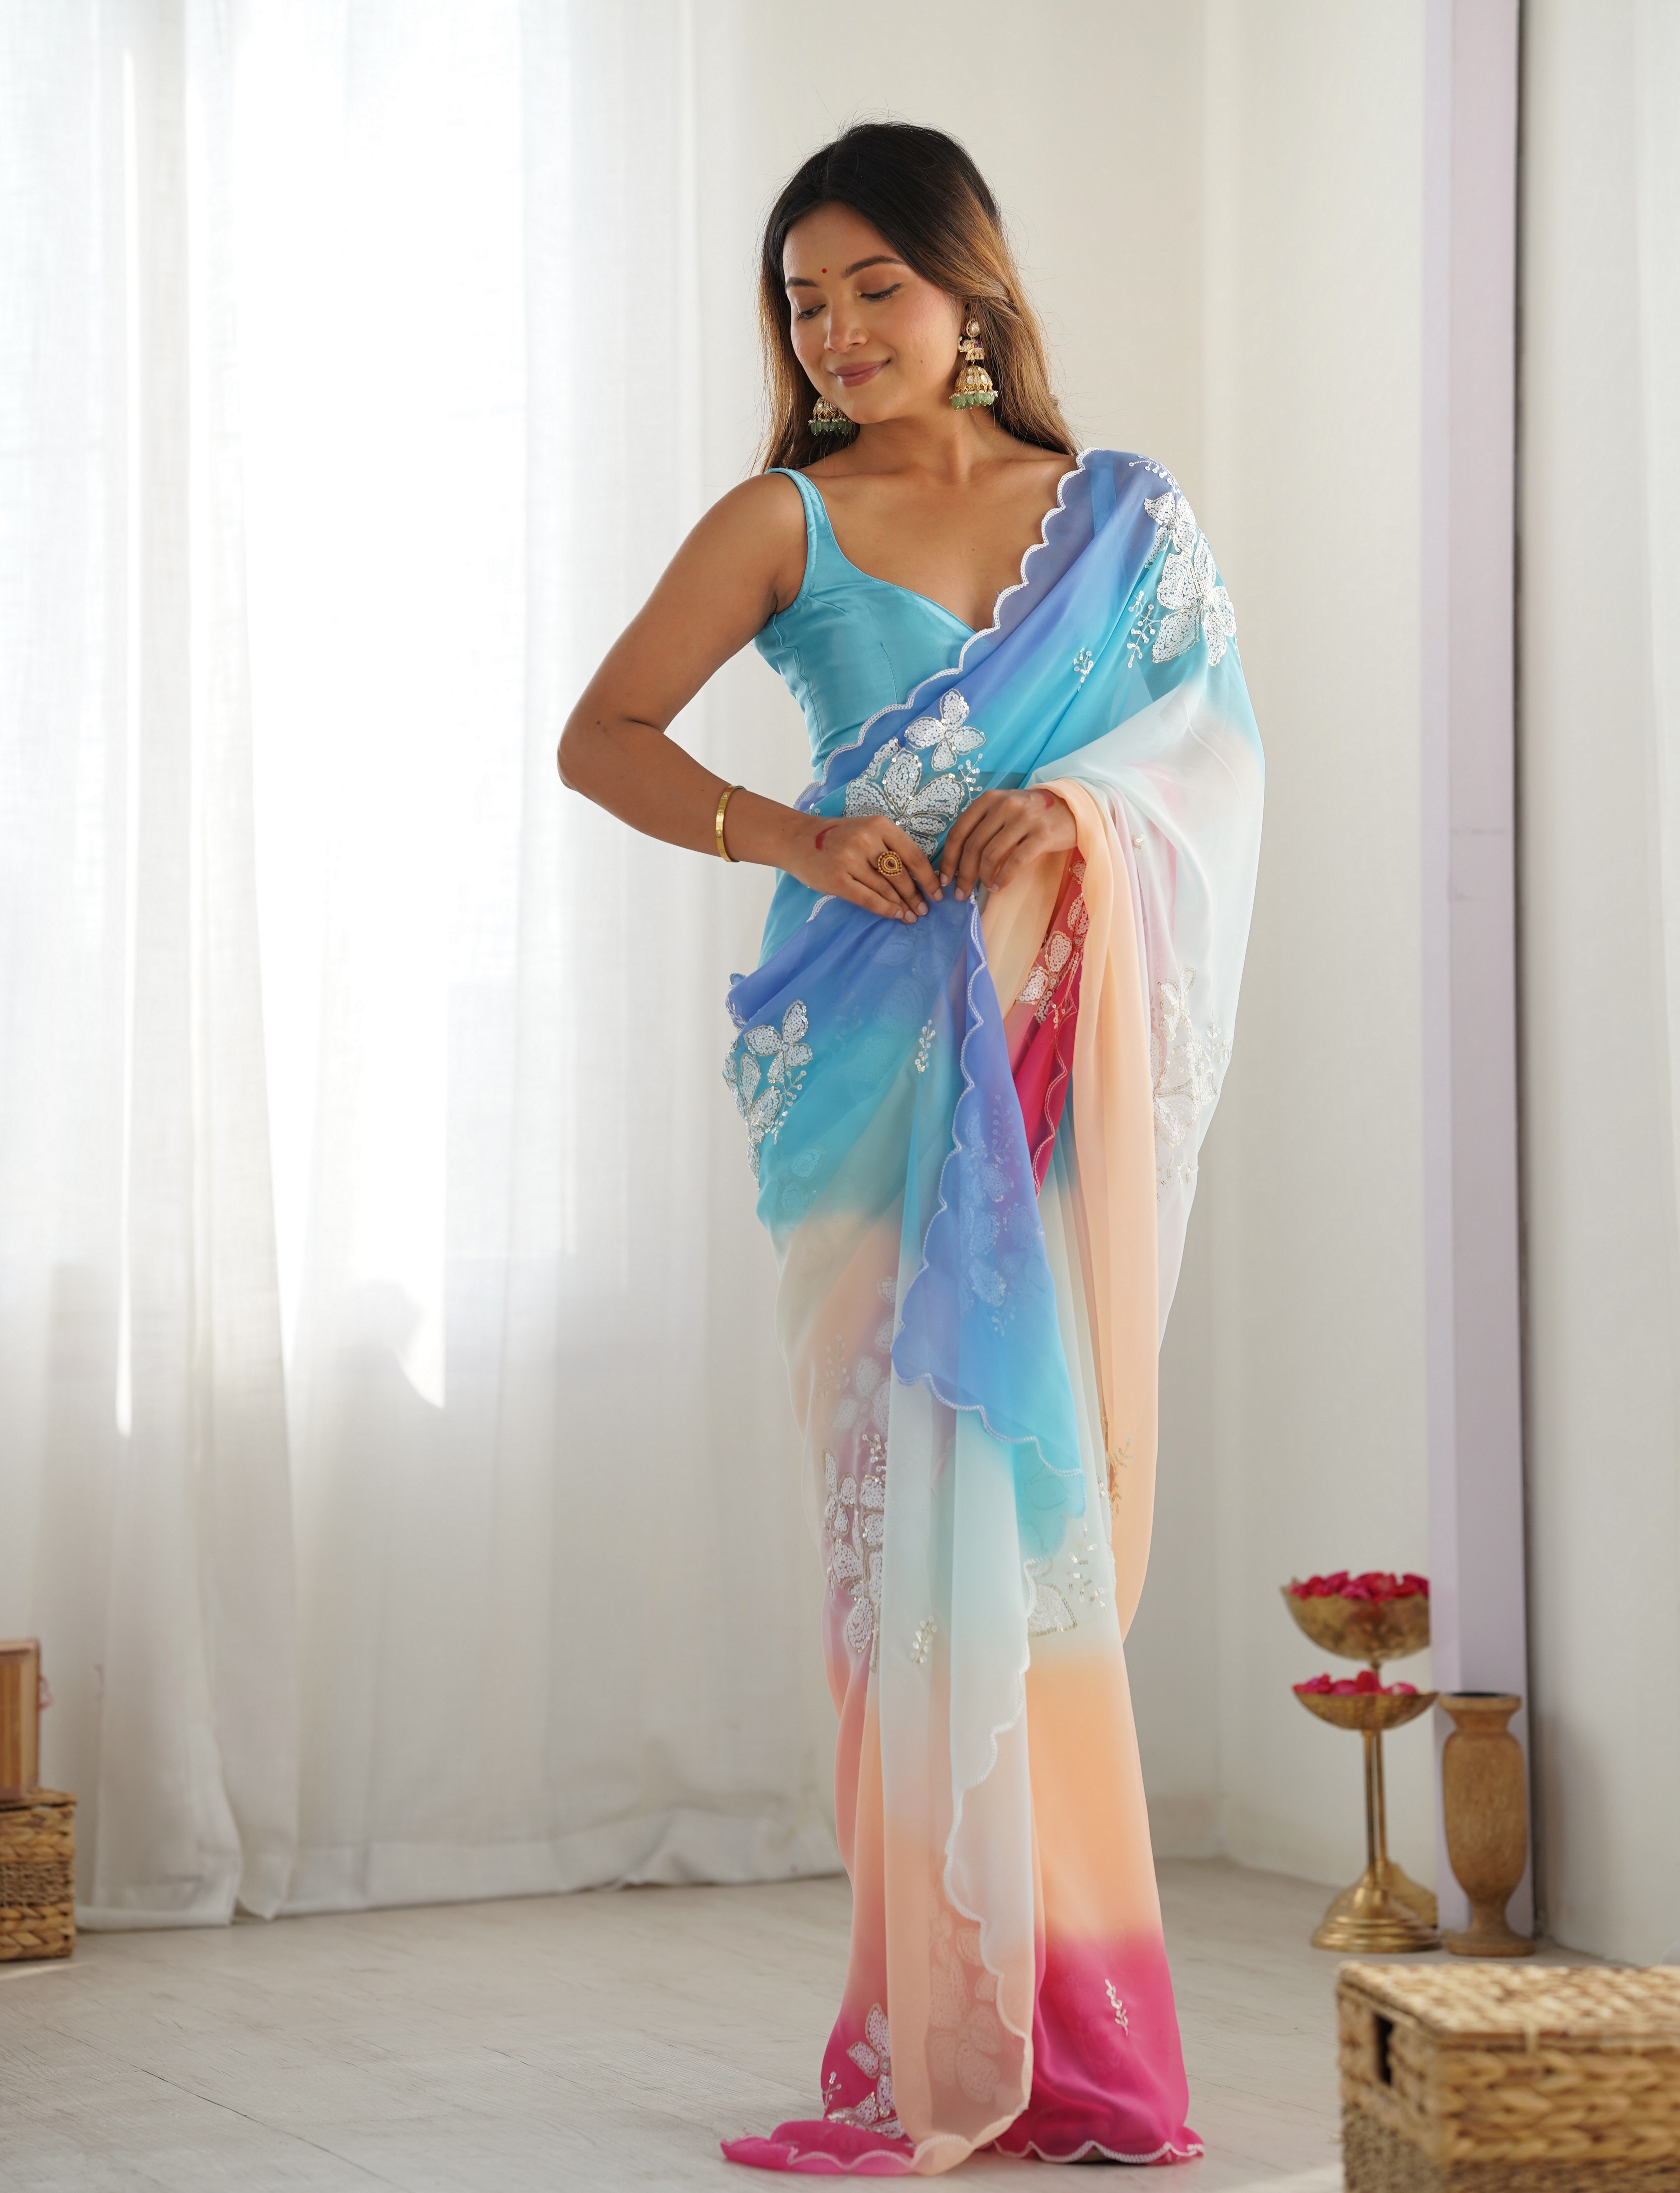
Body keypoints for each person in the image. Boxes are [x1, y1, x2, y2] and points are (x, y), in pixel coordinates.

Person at [559, 121, 1262, 2178]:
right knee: (899, 1557)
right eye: (804, 302)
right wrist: (795, 833)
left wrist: (1078, 818)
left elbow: (1209, 762)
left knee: (1031, 1537)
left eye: (877, 286)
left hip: (1046, 1060)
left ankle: (1083, 2037)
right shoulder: (781, 517)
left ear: (974, 291)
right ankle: (935, 2019)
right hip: (868, 1076)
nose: (839, 331)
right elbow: (603, 736)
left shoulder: (1121, 522)